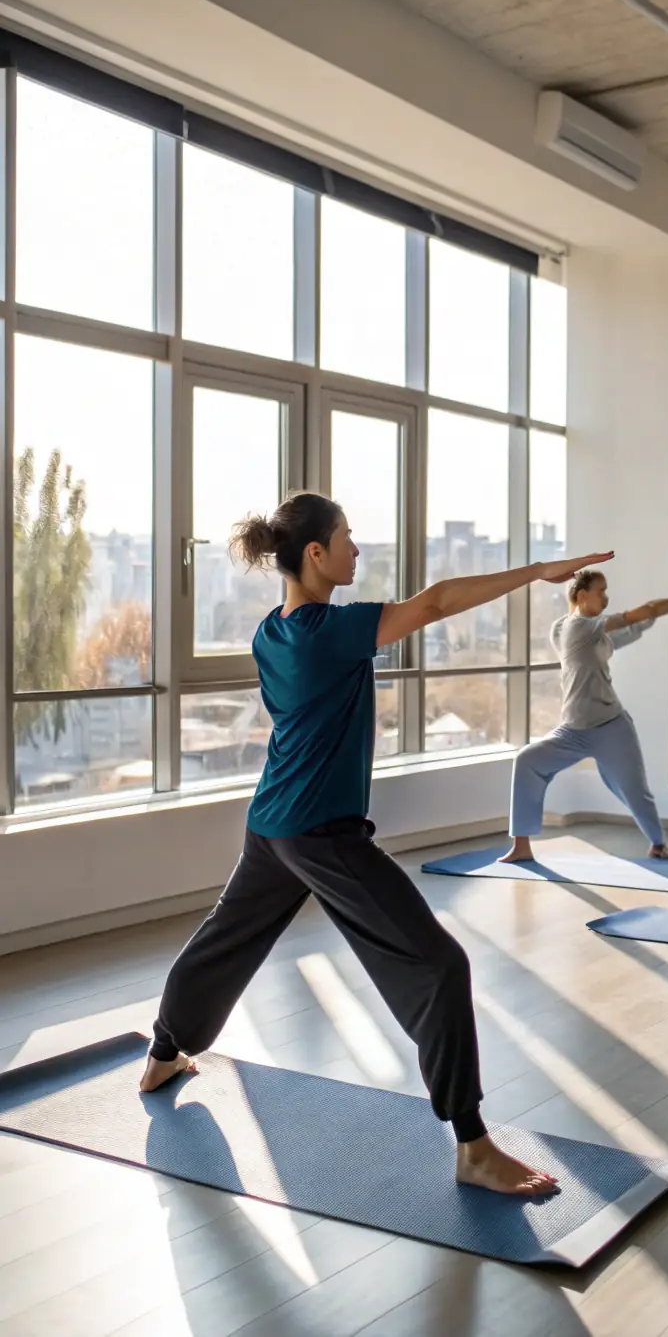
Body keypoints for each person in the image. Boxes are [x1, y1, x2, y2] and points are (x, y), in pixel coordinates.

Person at [140, 489, 613, 1197]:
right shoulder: (327, 630)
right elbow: (437, 601)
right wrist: (538, 569)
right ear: (315, 554)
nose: (358, 549)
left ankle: (165, 1049)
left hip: (271, 822)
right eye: (348, 538)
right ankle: (474, 1146)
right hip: (321, 832)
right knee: (440, 965)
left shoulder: (271, 631)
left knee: (225, 937)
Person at [499, 569, 668, 865]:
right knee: (527, 761)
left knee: (634, 790)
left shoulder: (594, 634)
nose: (607, 597)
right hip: (572, 730)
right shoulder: (574, 627)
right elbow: (645, 610)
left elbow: (637, 624)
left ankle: (658, 843)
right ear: (582, 596)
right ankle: (521, 846)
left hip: (612, 728)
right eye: (601, 591)